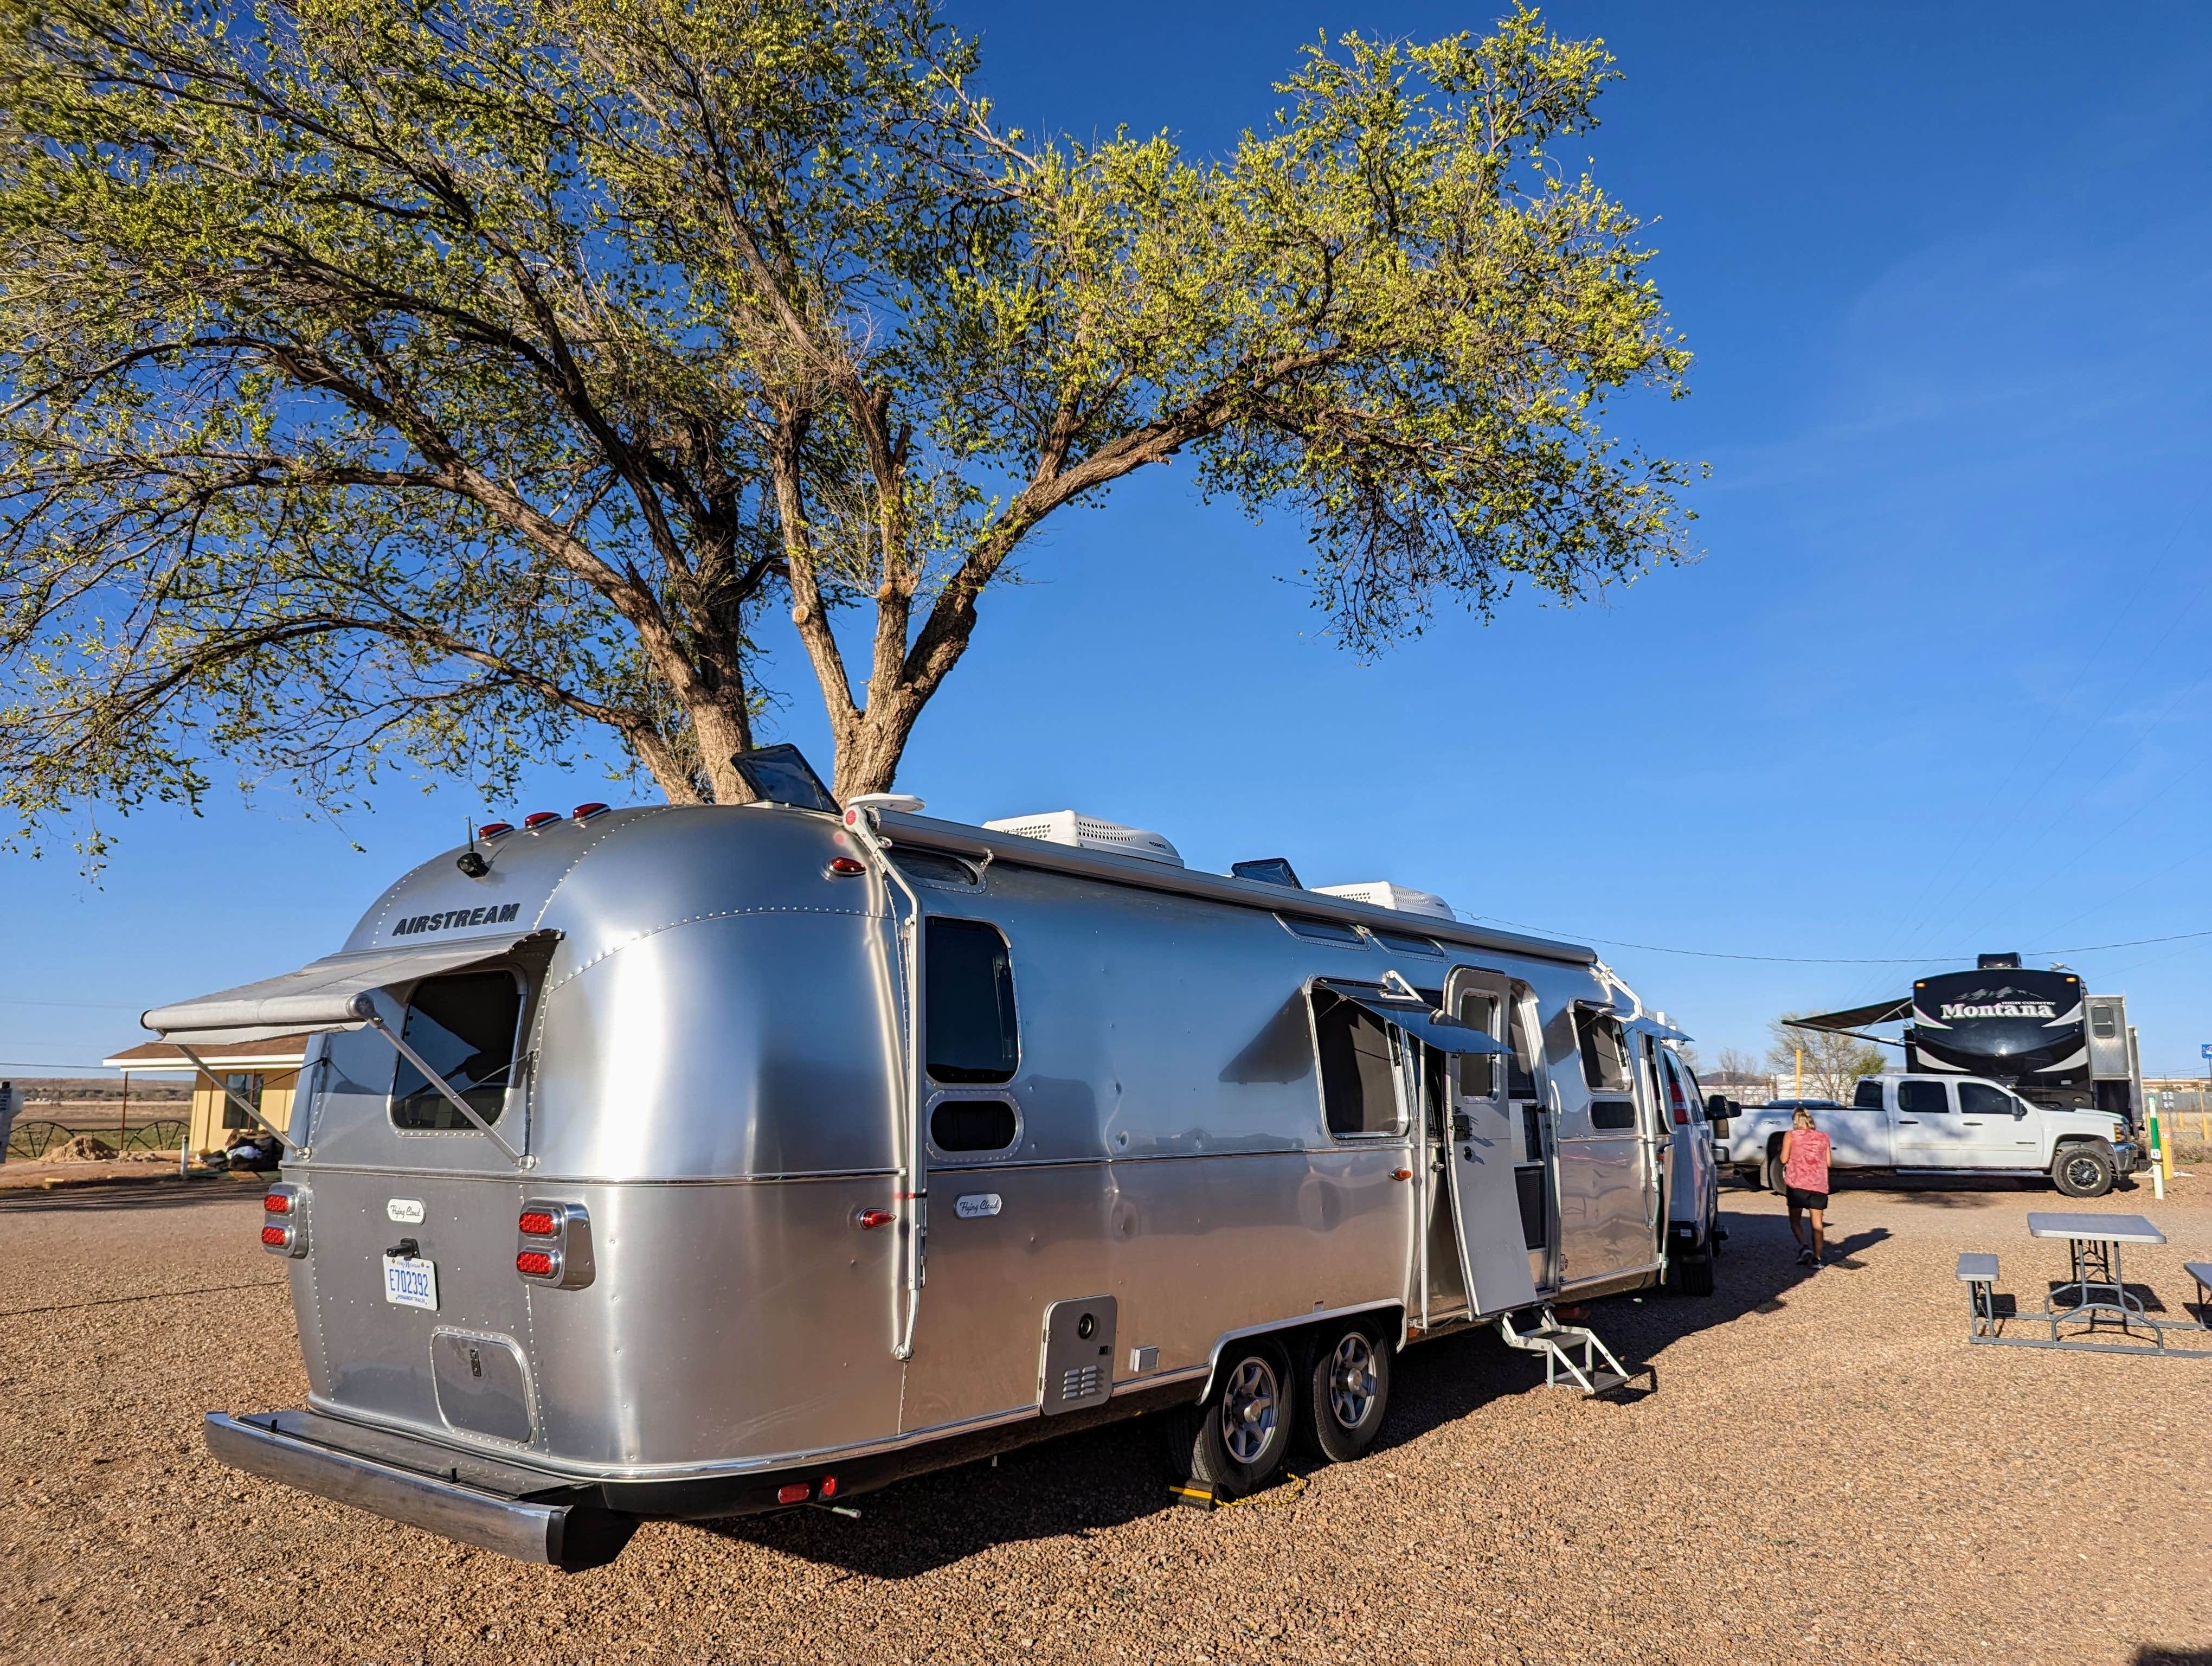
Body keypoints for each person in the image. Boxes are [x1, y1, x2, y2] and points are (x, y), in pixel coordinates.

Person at [1780, 1107, 1831, 1267]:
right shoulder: (1824, 1137)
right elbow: (1829, 1162)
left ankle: (1804, 1246)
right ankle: (1817, 1258)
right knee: (1817, 1224)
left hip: (1797, 1183)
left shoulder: (1791, 1135)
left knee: (1795, 1220)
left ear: (1795, 1120)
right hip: (1819, 1184)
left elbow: (1783, 1159)